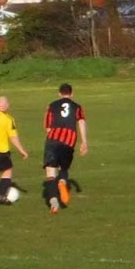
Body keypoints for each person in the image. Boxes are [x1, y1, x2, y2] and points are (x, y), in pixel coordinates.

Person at [42, 83, 89, 214]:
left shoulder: (51, 105)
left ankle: (54, 203)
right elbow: (81, 122)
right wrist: (84, 142)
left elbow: (47, 126)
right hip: (69, 140)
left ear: (59, 94)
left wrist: (51, 140)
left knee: (50, 173)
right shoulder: (77, 107)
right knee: (64, 168)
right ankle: (62, 181)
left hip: (53, 139)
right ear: (72, 94)